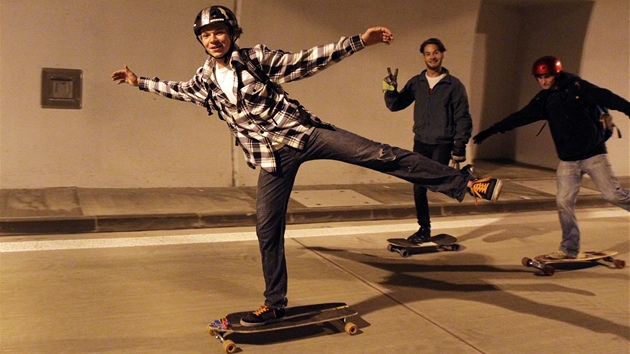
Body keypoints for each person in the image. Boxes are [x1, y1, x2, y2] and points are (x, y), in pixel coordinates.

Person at [112, 5, 502, 326]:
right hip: (270, 160)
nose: (214, 39)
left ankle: (465, 185)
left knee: (380, 154)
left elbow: (305, 62)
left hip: (305, 134)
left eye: (219, 31)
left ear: (232, 32)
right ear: (201, 40)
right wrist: (138, 82)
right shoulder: (205, 80)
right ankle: (275, 302)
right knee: (266, 226)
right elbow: (177, 91)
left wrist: (358, 42)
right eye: (206, 34)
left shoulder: (255, 59)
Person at [473, 55, 630, 260]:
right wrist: (492, 130)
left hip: (594, 154)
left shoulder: (577, 87)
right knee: (563, 201)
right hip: (568, 160)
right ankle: (569, 248)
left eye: (547, 76)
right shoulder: (544, 100)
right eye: (539, 78)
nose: (543, 81)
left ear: (556, 73)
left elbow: (607, 97)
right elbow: (520, 117)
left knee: (613, 195)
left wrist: (628, 109)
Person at [383, 38, 473, 243]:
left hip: (443, 142)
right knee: (418, 185)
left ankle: (465, 180)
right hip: (421, 141)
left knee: (436, 182)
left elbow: (462, 116)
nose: (432, 57)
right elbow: (396, 105)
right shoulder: (417, 82)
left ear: (442, 54)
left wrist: (460, 143)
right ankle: (424, 229)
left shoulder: (454, 85)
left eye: (435, 52)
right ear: (423, 56)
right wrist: (388, 89)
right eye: (427, 53)